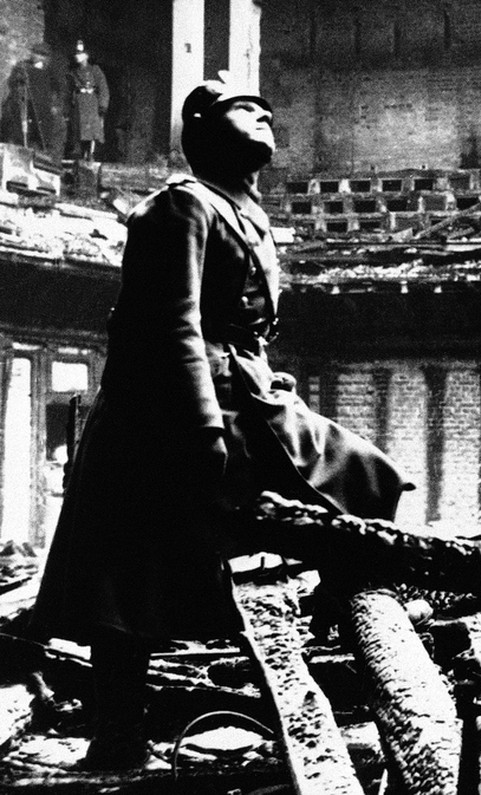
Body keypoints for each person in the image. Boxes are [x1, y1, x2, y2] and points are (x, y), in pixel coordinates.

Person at [29, 77, 408, 769]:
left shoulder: (250, 211)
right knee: (125, 584)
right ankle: (115, 742)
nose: (263, 114)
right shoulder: (179, 206)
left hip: (247, 396)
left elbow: (244, 330)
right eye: (243, 109)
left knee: (368, 475)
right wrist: (203, 429)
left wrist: (270, 382)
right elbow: (172, 323)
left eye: (266, 109)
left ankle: (337, 603)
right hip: (161, 413)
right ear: (203, 127)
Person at [65, 41, 108, 162]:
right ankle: (78, 152)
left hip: (91, 103)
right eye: (77, 54)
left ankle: (91, 153)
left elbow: (103, 88)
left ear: (87, 56)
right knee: (77, 130)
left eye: (81, 54)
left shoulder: (95, 70)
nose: (78, 56)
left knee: (90, 131)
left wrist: (103, 105)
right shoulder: (73, 72)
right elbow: (68, 90)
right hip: (78, 103)